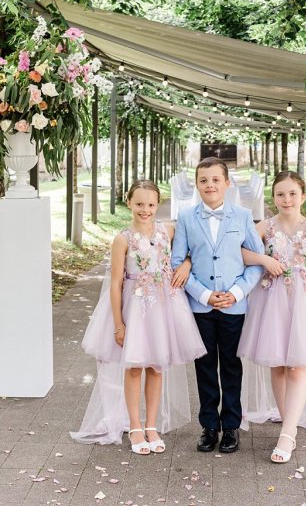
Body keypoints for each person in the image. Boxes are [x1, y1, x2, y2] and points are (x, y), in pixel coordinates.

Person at [70, 180, 206, 454]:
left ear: (158, 204)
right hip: (135, 306)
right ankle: (134, 425)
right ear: (129, 203)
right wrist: (119, 323)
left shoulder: (167, 230)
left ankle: (151, 425)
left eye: (151, 204)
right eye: (140, 204)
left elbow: (191, 251)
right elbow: (116, 281)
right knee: (133, 368)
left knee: (156, 367)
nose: (145, 210)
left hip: (164, 308)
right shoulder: (123, 238)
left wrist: (188, 265)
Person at [238, 170, 306, 463]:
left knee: (297, 366)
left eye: (292, 193)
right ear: (273, 198)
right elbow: (241, 252)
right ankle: (289, 422)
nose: (286, 199)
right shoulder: (264, 227)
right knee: (279, 364)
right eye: (281, 194)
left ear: (303, 196)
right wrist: (263, 259)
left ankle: (287, 435)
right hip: (272, 300)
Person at [171, 157, 264, 453]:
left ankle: (232, 426)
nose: (209, 185)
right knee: (205, 366)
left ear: (227, 183)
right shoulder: (186, 217)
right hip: (200, 306)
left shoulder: (243, 216)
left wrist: (236, 293)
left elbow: (257, 262)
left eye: (215, 179)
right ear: (196, 185)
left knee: (232, 366)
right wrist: (202, 295)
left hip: (234, 306)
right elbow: (177, 261)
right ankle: (209, 425)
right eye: (203, 180)